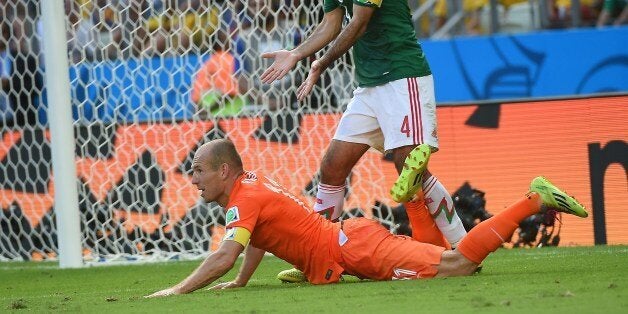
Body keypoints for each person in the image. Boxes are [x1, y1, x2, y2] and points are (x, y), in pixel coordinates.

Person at [145, 139, 588, 297]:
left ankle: (534, 200)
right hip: (348, 241)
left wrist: (178, 290)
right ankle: (413, 198)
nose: (193, 179)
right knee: (438, 256)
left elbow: (224, 255)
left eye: (199, 170)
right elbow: (258, 237)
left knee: (460, 264)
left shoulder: (243, 201)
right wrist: (242, 281)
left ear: (225, 170)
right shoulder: (251, 186)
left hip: (353, 249)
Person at [260, 0, 468, 282]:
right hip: (369, 85)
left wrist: (320, 63)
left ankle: (463, 247)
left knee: (409, 167)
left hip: (402, 76)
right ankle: (317, 254)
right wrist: (297, 53)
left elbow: (360, 21)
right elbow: (331, 22)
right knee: (333, 165)